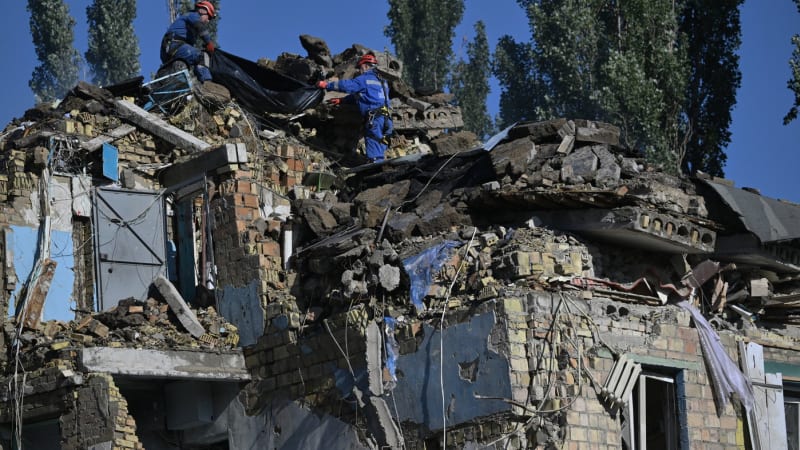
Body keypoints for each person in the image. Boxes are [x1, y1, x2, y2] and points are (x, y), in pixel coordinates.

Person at [316, 54, 393, 163]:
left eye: (360, 67)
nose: (359, 70)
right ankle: (380, 169)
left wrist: (327, 85)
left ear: (366, 66)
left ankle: (376, 174)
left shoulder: (365, 79)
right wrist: (342, 100)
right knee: (380, 148)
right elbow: (364, 95)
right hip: (387, 121)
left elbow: (347, 85)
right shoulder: (382, 81)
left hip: (375, 120)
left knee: (375, 155)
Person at [160, 1, 218, 83]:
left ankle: (178, 83)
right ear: (202, 11)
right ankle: (207, 83)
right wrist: (208, 43)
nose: (208, 20)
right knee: (202, 56)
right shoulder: (193, 16)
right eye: (208, 16)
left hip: (169, 50)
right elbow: (200, 28)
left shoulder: (188, 25)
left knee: (182, 68)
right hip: (175, 45)